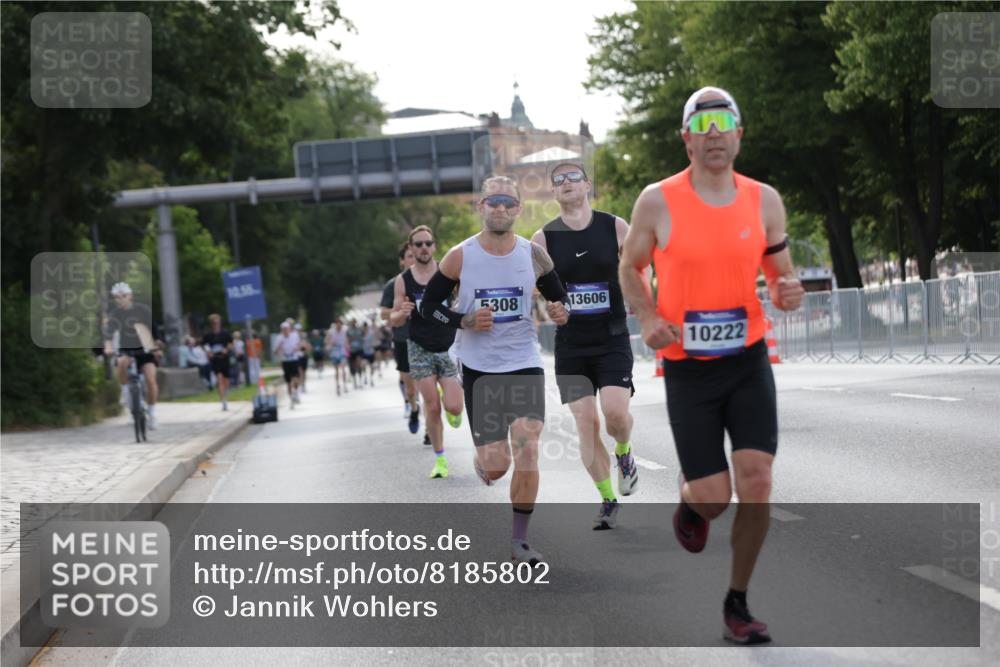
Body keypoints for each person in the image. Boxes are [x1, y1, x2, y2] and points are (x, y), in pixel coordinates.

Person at [618, 86, 805, 645]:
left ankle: (737, 603)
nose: (716, 132)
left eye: (726, 121)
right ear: (687, 138)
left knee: (758, 480)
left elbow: (780, 274)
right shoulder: (658, 201)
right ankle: (691, 501)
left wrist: (788, 291)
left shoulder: (764, 200)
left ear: (740, 134)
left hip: (747, 358)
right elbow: (631, 268)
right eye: (705, 124)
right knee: (715, 497)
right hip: (688, 365)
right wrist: (648, 316)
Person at [419, 176, 569, 564]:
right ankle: (482, 461)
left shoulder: (533, 254)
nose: (500, 209)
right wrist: (463, 320)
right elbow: (429, 307)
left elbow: (559, 297)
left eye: (508, 203)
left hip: (523, 362)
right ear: (481, 207)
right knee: (497, 465)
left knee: (528, 446)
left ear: (518, 209)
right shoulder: (460, 256)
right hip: (480, 369)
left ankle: (520, 542)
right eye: (493, 202)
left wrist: (559, 310)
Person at [531, 161, 638, 531]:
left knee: (615, 416)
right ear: (553, 191)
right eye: (557, 180)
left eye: (572, 177)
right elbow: (534, 287)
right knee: (586, 422)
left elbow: (640, 266)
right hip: (571, 345)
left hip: (611, 339)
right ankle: (607, 498)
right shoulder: (543, 239)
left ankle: (623, 454)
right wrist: (550, 307)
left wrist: (642, 296)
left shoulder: (616, 226)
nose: (565, 183)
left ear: (587, 184)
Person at [391, 225, 465, 479]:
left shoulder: (447, 272)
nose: (423, 248)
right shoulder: (404, 280)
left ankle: (451, 402)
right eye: (418, 244)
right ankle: (440, 459)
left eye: (427, 243)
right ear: (410, 248)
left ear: (434, 246)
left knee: (454, 407)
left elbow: (463, 299)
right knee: (431, 407)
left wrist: (459, 308)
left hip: (447, 346)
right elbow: (395, 318)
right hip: (419, 346)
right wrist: (401, 314)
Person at [379, 243, 425, 440]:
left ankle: (430, 430)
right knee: (412, 387)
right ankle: (414, 408)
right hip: (402, 340)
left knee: (428, 385)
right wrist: (400, 311)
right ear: (402, 261)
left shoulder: (429, 280)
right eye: (408, 256)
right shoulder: (393, 284)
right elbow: (383, 313)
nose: (412, 259)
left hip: (425, 339)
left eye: (414, 256)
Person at [103, 282, 162, 430]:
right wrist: (108, 346)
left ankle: (152, 413)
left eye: (124, 296)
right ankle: (126, 393)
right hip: (127, 348)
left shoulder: (143, 310)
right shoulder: (115, 314)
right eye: (117, 297)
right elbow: (109, 333)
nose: (121, 299)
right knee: (121, 362)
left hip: (146, 348)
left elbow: (154, 331)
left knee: (150, 379)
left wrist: (157, 347)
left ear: (130, 296)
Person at [201, 314, 234, 411]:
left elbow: (231, 343)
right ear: (211, 324)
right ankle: (223, 401)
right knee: (219, 379)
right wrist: (208, 352)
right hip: (215, 359)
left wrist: (226, 350)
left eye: (217, 323)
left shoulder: (225, 333)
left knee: (226, 380)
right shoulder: (208, 335)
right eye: (214, 323)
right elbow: (203, 345)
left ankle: (226, 393)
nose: (215, 325)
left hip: (224, 358)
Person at [273, 321, 302, 408]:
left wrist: (297, 348)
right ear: (281, 330)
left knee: (295, 379)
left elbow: (299, 345)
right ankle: (291, 400)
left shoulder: (295, 335)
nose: (285, 331)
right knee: (288, 381)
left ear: (289, 329)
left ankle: (296, 392)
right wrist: (279, 348)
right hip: (285, 361)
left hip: (294, 359)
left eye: (286, 329)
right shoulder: (279, 338)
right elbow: (275, 351)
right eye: (283, 329)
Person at [325, 318, 350, 396]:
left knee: (343, 368)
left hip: (342, 351)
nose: (339, 325)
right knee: (336, 370)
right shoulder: (331, 331)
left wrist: (347, 347)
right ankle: (337, 385)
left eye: (340, 323)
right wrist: (330, 343)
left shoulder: (344, 331)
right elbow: (327, 341)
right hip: (334, 352)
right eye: (337, 323)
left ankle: (345, 384)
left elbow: (346, 341)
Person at [346, 319, 364, 389]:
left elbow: (362, 338)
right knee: (352, 366)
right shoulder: (348, 331)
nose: (354, 323)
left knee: (359, 364)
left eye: (355, 322)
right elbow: (347, 340)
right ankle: (354, 381)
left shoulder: (359, 330)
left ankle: (360, 380)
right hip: (351, 350)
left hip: (359, 349)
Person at [294, 322, 310, 394]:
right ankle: (300, 385)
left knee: (304, 372)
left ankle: (303, 384)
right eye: (297, 329)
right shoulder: (293, 336)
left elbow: (306, 346)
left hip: (304, 355)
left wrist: (304, 347)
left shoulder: (304, 336)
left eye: (299, 329)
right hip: (297, 356)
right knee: (299, 371)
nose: (298, 331)